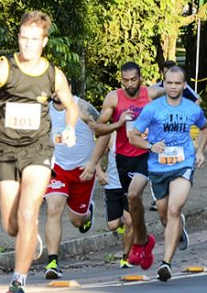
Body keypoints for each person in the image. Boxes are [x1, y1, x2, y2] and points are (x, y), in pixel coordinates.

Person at [0, 11, 78, 293]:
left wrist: (70, 128)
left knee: (29, 213)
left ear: (44, 42)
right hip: (5, 150)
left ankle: (18, 282)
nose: (26, 45)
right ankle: (30, 239)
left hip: (38, 150)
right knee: (11, 225)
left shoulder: (53, 74)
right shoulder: (4, 69)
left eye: (33, 40)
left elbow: (70, 105)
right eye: (23, 39)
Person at [129, 66, 207, 282]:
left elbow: (204, 128)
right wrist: (150, 145)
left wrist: (200, 151)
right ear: (164, 84)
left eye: (177, 83)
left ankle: (166, 264)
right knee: (164, 215)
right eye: (169, 83)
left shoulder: (192, 109)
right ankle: (178, 228)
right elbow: (133, 136)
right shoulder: (152, 109)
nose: (173, 87)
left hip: (183, 164)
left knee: (174, 209)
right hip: (158, 167)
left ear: (184, 85)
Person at [93, 62, 165, 270]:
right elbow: (99, 129)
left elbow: (175, 90)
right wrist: (119, 123)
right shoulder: (113, 98)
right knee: (129, 208)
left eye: (134, 79)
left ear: (140, 78)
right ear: (121, 80)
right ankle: (145, 242)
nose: (130, 84)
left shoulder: (151, 94)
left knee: (133, 197)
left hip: (145, 153)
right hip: (122, 157)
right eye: (126, 80)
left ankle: (137, 246)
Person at [43, 94, 109, 279]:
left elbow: (104, 132)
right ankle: (53, 262)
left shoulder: (83, 108)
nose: (57, 93)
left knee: (77, 221)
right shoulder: (44, 110)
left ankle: (87, 213)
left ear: (68, 88)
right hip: (57, 169)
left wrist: (94, 164)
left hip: (83, 170)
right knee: (54, 209)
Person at [99, 133, 134, 268]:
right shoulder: (111, 136)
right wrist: (99, 172)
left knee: (128, 220)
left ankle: (125, 258)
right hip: (112, 185)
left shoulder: (138, 134)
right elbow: (96, 155)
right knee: (113, 225)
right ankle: (131, 225)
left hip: (131, 186)